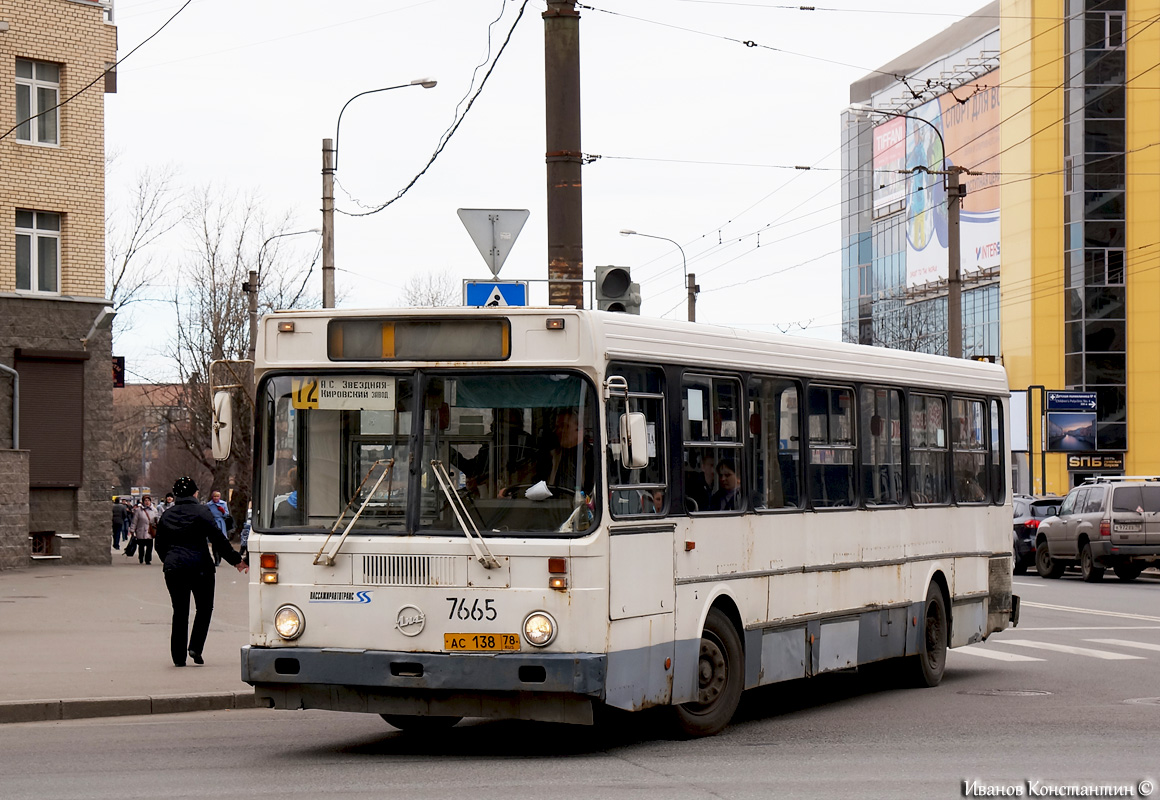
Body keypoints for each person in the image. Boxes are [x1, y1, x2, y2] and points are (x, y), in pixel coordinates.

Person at [154, 476, 248, 667]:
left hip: (174, 568)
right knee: (204, 608)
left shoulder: (167, 515)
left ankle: (178, 657)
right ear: (194, 493)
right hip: (200, 567)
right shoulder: (202, 512)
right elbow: (218, 539)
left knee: (179, 611)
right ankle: (195, 647)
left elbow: (159, 545)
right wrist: (236, 560)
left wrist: (170, 559)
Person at [534, 408, 594, 495]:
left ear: (579, 429)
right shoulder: (549, 456)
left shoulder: (593, 457)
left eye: (564, 426)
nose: (559, 431)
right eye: (557, 427)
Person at [127, 494, 159, 565]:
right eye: (145, 500)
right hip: (140, 531)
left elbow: (157, 520)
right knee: (141, 546)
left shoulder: (154, 510)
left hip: (150, 531)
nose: (147, 502)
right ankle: (141, 558)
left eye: (148, 500)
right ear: (143, 502)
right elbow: (134, 521)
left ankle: (148, 559)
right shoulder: (139, 510)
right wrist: (132, 530)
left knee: (149, 547)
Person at [206, 489, 230, 566]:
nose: (216, 498)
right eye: (215, 496)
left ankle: (219, 557)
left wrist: (223, 511)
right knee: (214, 542)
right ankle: (216, 559)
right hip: (213, 523)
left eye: (217, 496)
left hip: (221, 523)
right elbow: (206, 514)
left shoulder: (223, 504)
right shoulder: (208, 505)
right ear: (212, 497)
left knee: (220, 542)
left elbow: (227, 515)